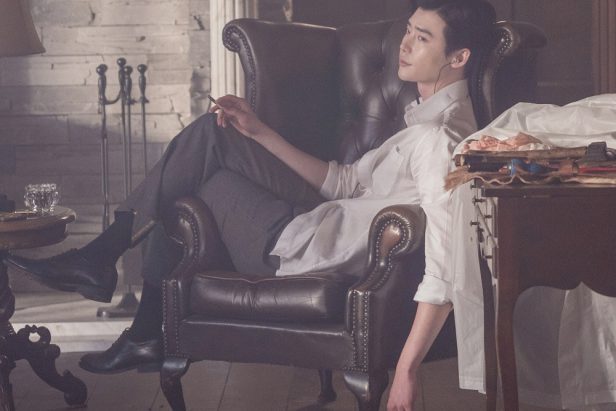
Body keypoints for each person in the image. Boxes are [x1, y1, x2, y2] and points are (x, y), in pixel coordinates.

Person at [5, 0, 495, 407]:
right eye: (408, 30)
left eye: (422, 38)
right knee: (214, 137)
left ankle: (121, 288)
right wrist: (259, 131)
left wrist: (407, 369)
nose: (404, 45)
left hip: (304, 248)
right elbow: (344, 182)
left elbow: (445, 258)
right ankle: (130, 305)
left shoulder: (440, 140)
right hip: (320, 217)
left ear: (459, 57)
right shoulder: (424, 121)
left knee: (196, 171)